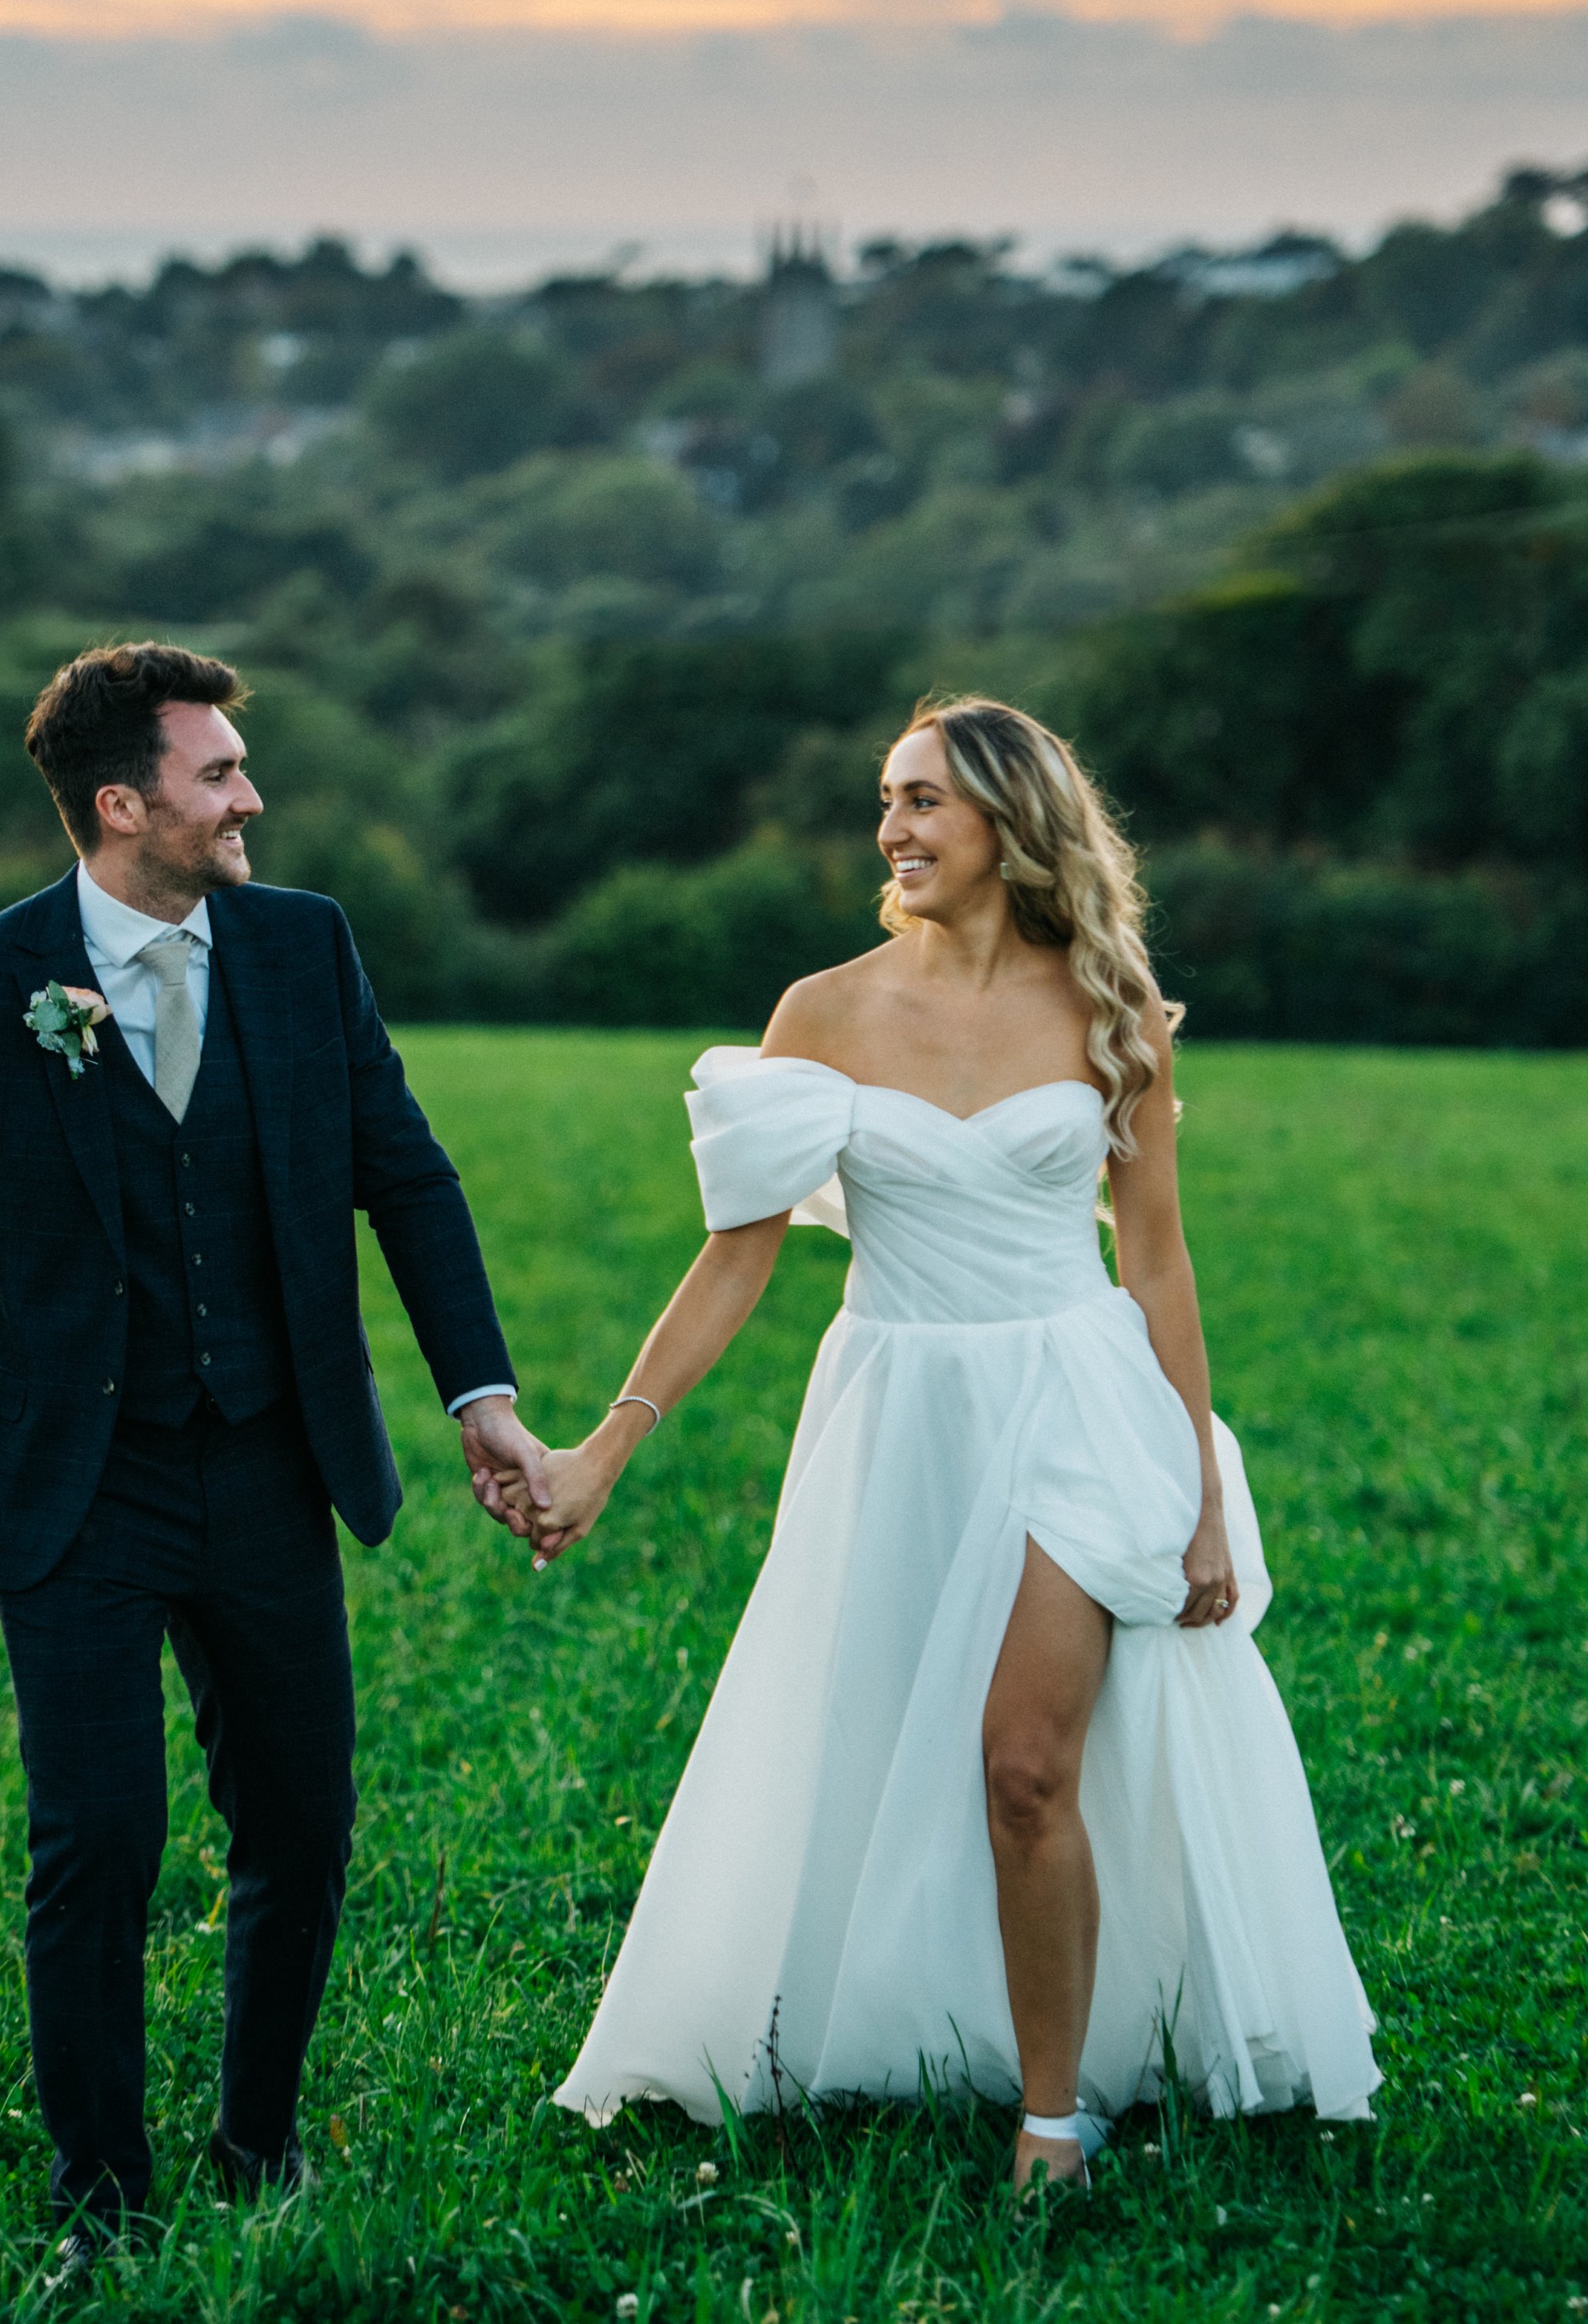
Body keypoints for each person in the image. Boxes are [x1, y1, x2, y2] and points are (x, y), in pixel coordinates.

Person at [521, 696, 1378, 2188]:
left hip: (1076, 1401)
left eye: (924, 801)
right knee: (895, 1743)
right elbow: (737, 1258)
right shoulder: (824, 1014)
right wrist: (604, 1448)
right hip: (898, 1414)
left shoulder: (1107, 1003)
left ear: (1009, 820)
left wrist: (1199, 1493)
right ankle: (924, 2019)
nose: (893, 830)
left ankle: (1057, 2116)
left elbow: (1159, 1259)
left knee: (1025, 1764)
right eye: (887, 800)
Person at [0, 639, 550, 2270]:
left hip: (266, 1464)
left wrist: (482, 1398)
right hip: (76, 1480)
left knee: (299, 1823)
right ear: (122, 803)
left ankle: (258, 2144)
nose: (252, 796)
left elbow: (407, 1175)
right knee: (95, 1839)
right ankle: (97, 2190)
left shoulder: (305, 948)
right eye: (218, 773)